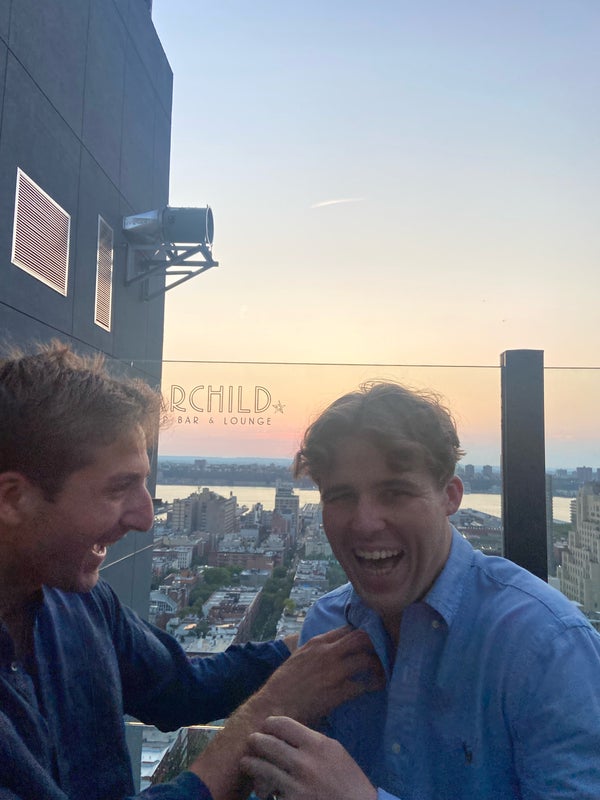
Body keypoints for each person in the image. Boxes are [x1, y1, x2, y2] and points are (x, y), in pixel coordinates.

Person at [0, 342, 382, 800]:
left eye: (144, 483)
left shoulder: (79, 601)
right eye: (119, 488)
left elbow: (181, 689)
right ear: (13, 499)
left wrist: (315, 641)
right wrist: (271, 706)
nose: (145, 518)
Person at [241, 381, 600, 800]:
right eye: (341, 496)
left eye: (395, 493)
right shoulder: (326, 623)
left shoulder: (547, 647)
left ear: (450, 496)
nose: (365, 522)